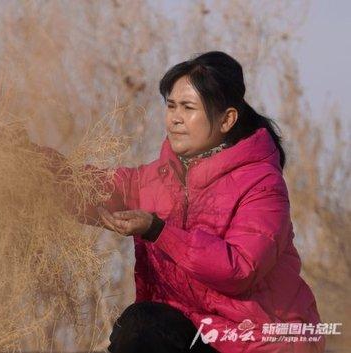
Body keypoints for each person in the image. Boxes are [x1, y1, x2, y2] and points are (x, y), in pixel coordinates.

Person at [40, 51, 325, 352]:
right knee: (139, 325)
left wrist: (160, 231)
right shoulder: (158, 178)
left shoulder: (262, 184)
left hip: (256, 341)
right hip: (190, 332)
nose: (174, 118)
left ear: (227, 119)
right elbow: (95, 189)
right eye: (171, 106)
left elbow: (241, 269)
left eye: (188, 108)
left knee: (145, 327)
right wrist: (34, 166)